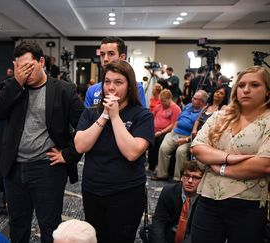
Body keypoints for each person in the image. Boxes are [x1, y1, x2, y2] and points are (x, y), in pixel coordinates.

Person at [0, 40, 84, 243]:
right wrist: (17, 83)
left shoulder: (63, 90)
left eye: (29, 67)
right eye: (19, 67)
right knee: (17, 223)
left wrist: (69, 155)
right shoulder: (13, 86)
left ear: (41, 61)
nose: (24, 72)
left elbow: (84, 127)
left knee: (50, 225)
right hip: (14, 168)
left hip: (47, 168)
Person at [74, 60, 154, 243]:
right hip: (93, 189)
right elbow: (80, 146)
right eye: (107, 82)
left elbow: (132, 152)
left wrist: (115, 116)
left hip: (126, 193)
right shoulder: (91, 113)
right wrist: (104, 115)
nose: (111, 87)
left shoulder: (142, 115)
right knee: (96, 239)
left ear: (130, 86)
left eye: (118, 82)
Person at [190, 66, 270, 242]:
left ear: (267, 91)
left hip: (248, 203)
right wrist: (229, 158)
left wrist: (220, 169)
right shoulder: (221, 115)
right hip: (208, 197)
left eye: (255, 85)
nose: (246, 90)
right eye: (241, 85)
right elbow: (197, 147)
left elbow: (264, 164)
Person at [152, 90, 208, 181]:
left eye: (195, 98)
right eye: (193, 97)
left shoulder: (203, 113)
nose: (192, 99)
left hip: (189, 138)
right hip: (176, 133)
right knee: (163, 148)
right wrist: (173, 131)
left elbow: (199, 133)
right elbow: (177, 120)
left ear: (202, 102)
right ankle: (162, 174)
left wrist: (186, 139)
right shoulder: (188, 106)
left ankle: (178, 178)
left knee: (180, 151)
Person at [84, 36, 147, 108]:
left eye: (111, 54)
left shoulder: (136, 87)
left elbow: (140, 117)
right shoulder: (92, 90)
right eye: (102, 54)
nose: (105, 59)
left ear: (122, 57)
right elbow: (87, 118)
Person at [149, 161, 204, 243]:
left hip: (193, 236)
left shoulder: (205, 199)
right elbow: (159, 221)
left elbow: (198, 232)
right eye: (187, 176)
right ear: (181, 177)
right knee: (149, 231)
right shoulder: (169, 191)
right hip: (171, 233)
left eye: (195, 177)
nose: (190, 180)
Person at [148, 89, 181, 172]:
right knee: (149, 140)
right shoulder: (159, 106)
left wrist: (161, 132)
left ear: (170, 98)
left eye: (164, 101)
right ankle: (151, 164)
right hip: (155, 130)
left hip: (167, 132)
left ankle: (157, 165)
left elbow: (173, 124)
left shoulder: (176, 108)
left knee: (159, 141)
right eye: (161, 101)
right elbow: (152, 117)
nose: (162, 103)